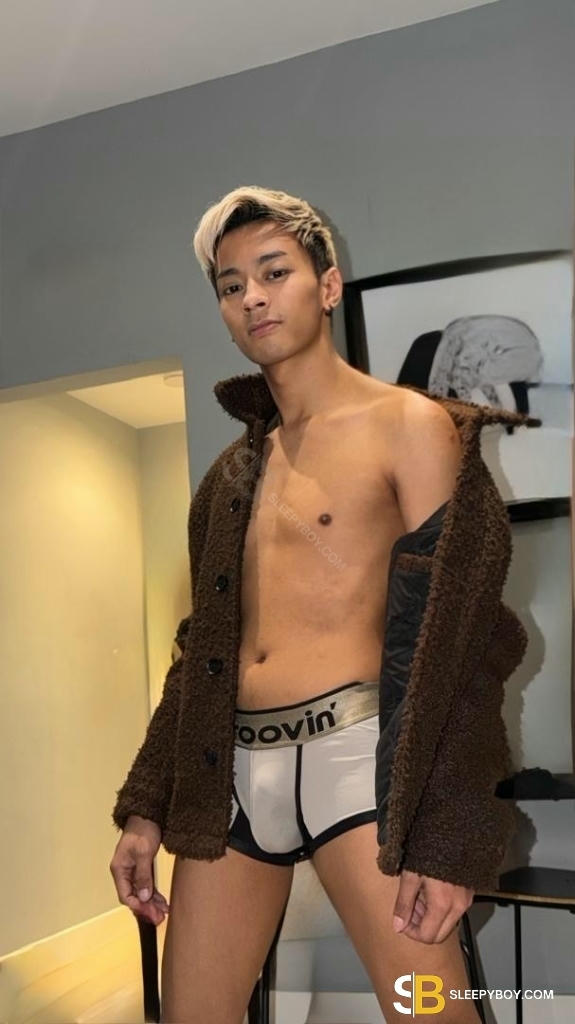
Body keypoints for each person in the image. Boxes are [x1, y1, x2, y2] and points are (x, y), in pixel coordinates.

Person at [110, 186, 530, 1023]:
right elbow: (199, 657)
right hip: (232, 776)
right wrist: (146, 805)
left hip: (359, 767)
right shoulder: (230, 476)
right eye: (231, 285)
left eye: (274, 272)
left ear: (327, 286)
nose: (252, 297)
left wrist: (447, 837)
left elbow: (470, 641)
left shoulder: (410, 426)